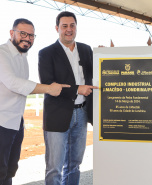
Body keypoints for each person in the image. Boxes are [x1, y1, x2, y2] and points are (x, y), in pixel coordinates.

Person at [0, 18, 70, 185]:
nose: (27, 38)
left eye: (31, 35)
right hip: (2, 122)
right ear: (12, 33)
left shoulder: (22, 56)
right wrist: (48, 88)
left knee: (9, 169)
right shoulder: (2, 53)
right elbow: (13, 83)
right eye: (23, 33)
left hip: (16, 122)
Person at [38, 11, 98, 185]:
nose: (69, 29)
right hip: (57, 115)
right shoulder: (46, 53)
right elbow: (48, 84)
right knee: (54, 167)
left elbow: (99, 73)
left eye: (72, 25)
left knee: (74, 164)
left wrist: (105, 57)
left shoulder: (87, 50)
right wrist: (78, 89)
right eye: (64, 26)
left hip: (82, 114)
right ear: (57, 28)